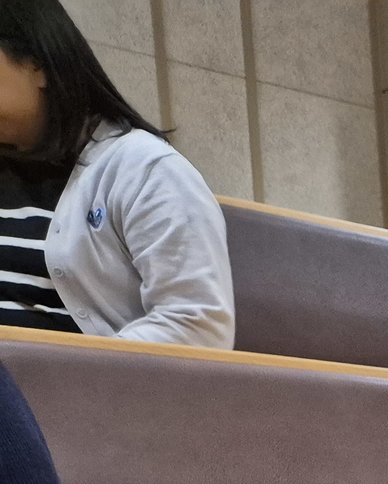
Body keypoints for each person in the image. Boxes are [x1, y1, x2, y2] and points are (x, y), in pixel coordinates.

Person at [0, 0, 233, 345]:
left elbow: (197, 326)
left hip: (64, 379)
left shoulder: (144, 169)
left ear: (39, 63)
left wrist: (73, 370)